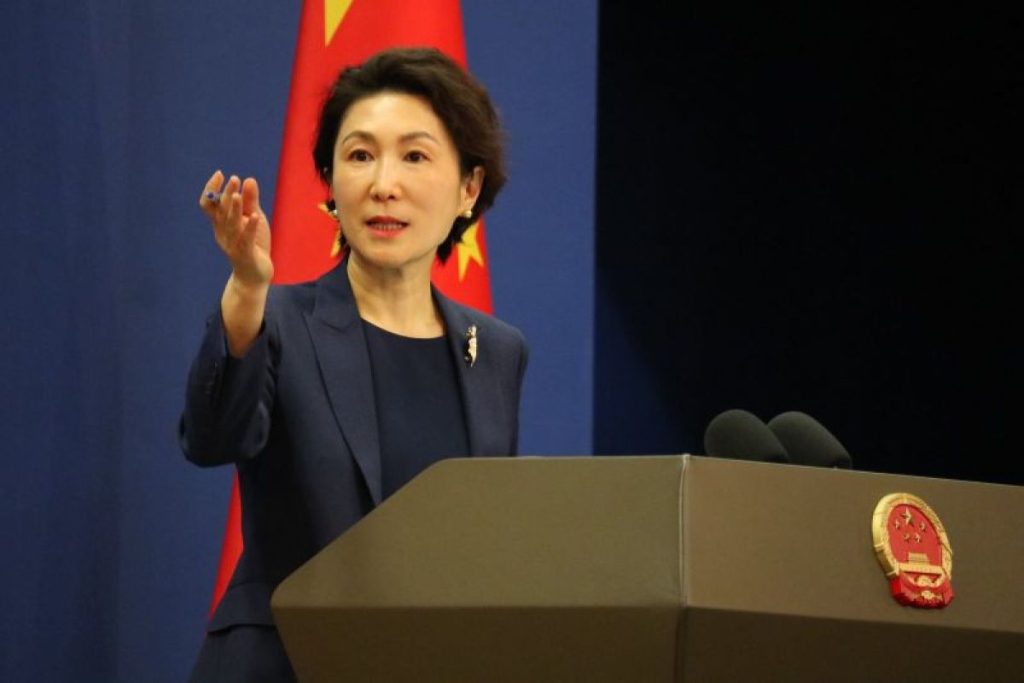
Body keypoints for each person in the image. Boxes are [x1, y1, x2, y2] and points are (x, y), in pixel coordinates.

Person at [179, 47, 528, 682]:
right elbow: (211, 439)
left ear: (468, 189)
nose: (382, 184)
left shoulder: (496, 351)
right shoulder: (277, 320)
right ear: (331, 184)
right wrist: (248, 289)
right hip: (282, 665)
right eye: (360, 155)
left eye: (415, 156)